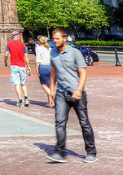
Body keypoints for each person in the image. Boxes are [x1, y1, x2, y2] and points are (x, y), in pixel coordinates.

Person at [46, 28, 96, 163]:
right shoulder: (53, 53)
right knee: (59, 122)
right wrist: (51, 90)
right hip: (61, 93)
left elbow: (83, 73)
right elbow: (53, 72)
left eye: (57, 38)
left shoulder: (75, 53)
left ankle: (91, 152)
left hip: (77, 93)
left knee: (84, 123)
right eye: (53, 38)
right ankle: (60, 152)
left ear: (65, 38)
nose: (54, 41)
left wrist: (79, 89)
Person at [6, 32, 31, 107]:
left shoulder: (9, 44)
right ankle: (26, 99)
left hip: (14, 65)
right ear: (16, 36)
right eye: (19, 36)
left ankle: (20, 101)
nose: (19, 37)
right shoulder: (23, 45)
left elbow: (6, 54)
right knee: (23, 83)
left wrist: (5, 61)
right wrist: (28, 66)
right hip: (22, 65)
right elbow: (26, 56)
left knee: (17, 83)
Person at [35, 35, 55, 107]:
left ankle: (53, 99)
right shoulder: (49, 48)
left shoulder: (38, 48)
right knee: (49, 85)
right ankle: (50, 102)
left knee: (43, 84)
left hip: (43, 66)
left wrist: (37, 69)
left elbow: (38, 59)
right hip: (50, 66)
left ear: (40, 41)